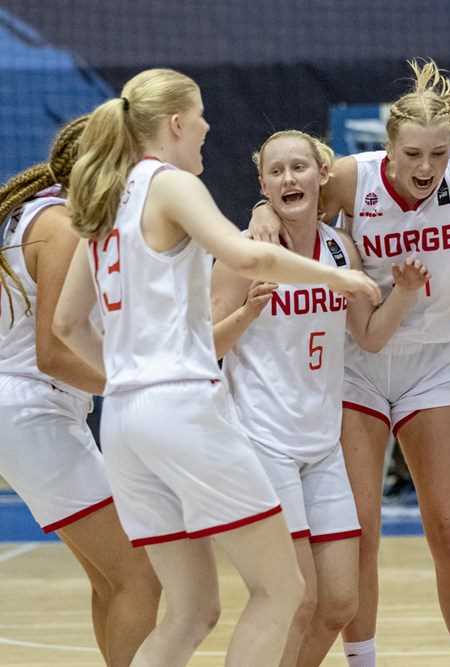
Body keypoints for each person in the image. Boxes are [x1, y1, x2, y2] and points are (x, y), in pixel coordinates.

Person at [52, 68, 380, 667]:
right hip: (183, 408)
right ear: (176, 123)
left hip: (123, 421)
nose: (207, 128)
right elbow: (250, 253)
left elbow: (67, 326)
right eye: (200, 116)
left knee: (192, 610)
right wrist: (338, 275)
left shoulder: (103, 199)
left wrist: (128, 381)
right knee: (281, 591)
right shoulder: (169, 184)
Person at [249, 59, 450, 667]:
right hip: (359, 362)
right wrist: (262, 213)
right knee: (363, 533)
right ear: (389, 150)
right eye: (412, 155)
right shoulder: (353, 179)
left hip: (434, 363)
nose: (425, 168)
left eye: (438, 153)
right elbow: (287, 195)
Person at [212, 129, 429, 667]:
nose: (290, 179)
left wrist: (402, 293)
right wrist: (246, 315)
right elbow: (201, 346)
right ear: (263, 184)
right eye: (277, 172)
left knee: (338, 603)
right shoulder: (245, 253)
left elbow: (370, 336)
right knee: (297, 598)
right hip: (262, 440)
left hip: (321, 446)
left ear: (322, 175)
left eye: (299, 168)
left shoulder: (340, 248)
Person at [0, 115, 161, 666]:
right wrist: (145, 388)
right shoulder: (63, 225)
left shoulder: (38, 212)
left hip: (30, 410)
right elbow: (55, 352)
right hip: (31, 412)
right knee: (142, 576)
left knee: (112, 579)